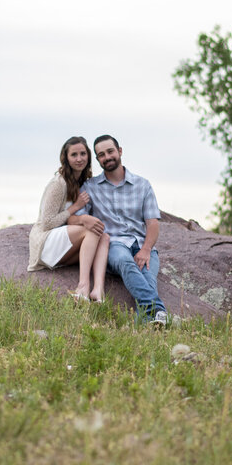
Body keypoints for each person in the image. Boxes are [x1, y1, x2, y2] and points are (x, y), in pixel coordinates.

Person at [85, 134, 168, 324]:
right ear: (98, 160)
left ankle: (145, 323)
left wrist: (146, 250)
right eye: (101, 155)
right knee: (125, 261)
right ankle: (160, 310)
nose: (107, 157)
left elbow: (153, 223)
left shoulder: (142, 185)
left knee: (148, 277)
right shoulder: (90, 187)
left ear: (120, 151)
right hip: (114, 245)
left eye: (110, 151)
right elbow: (76, 216)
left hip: (142, 244)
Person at [28, 136, 111, 302]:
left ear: (88, 156)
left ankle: (98, 290)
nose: (79, 159)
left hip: (63, 243)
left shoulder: (82, 181)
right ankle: (82, 287)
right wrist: (77, 208)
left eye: (82, 154)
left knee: (104, 237)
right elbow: (47, 223)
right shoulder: (59, 184)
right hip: (45, 242)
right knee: (91, 230)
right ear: (65, 158)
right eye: (74, 155)